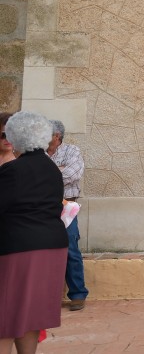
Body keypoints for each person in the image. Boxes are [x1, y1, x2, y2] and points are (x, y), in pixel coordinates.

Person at [0, 111, 69, 354]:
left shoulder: (12, 171)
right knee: (31, 316)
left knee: (5, 318)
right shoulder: (52, 170)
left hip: (19, 248)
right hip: (53, 247)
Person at [47, 120, 88, 312]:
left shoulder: (72, 151)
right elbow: (32, 175)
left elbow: (73, 174)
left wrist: (45, 175)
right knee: (45, 250)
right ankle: (48, 296)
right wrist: (58, 170)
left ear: (57, 136)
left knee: (71, 247)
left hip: (66, 206)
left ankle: (78, 294)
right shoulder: (37, 153)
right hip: (43, 205)